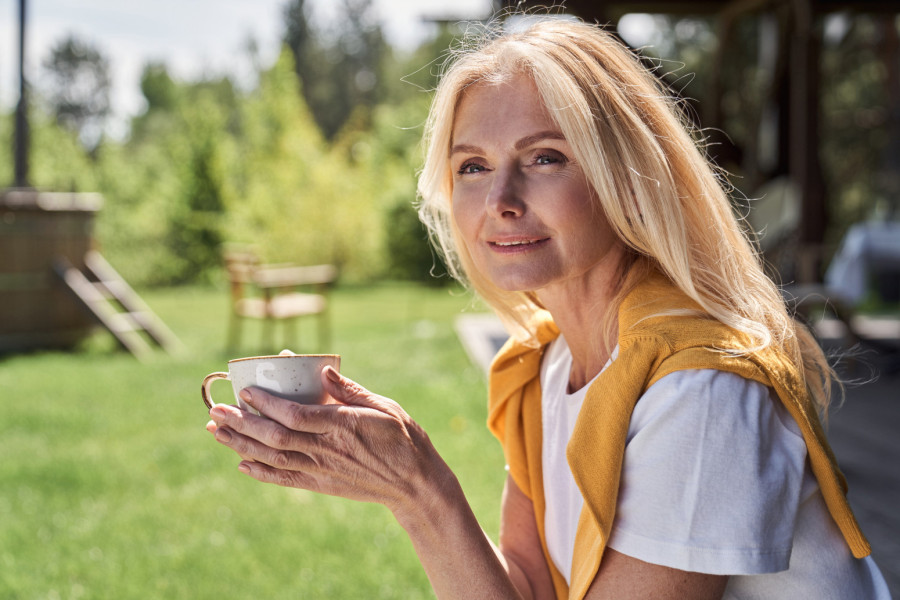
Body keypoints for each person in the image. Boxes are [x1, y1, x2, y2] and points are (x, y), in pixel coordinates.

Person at [206, 16, 891, 599]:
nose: (500, 196)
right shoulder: (541, 365)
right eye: (471, 166)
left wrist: (424, 489)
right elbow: (525, 585)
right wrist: (406, 494)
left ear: (625, 178)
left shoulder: (701, 388)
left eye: (544, 158)